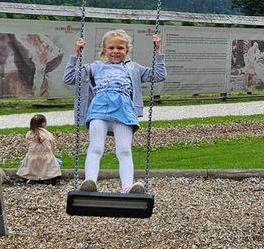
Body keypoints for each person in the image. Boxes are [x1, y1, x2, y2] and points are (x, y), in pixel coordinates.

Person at [63, 29, 166, 193]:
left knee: (124, 150)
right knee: (96, 147)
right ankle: (90, 182)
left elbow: (159, 75)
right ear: (104, 50)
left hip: (124, 112)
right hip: (99, 111)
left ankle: (127, 187)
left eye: (120, 48)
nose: (116, 51)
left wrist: (157, 50)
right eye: (111, 48)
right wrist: (75, 54)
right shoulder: (94, 67)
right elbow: (68, 78)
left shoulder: (133, 68)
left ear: (127, 51)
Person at [16, 114, 62, 184]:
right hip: (46, 160)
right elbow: (52, 148)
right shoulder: (48, 134)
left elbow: (28, 148)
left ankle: (32, 177)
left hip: (32, 160)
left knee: (24, 161)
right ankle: (47, 177)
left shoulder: (28, 134)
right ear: (43, 123)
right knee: (58, 161)